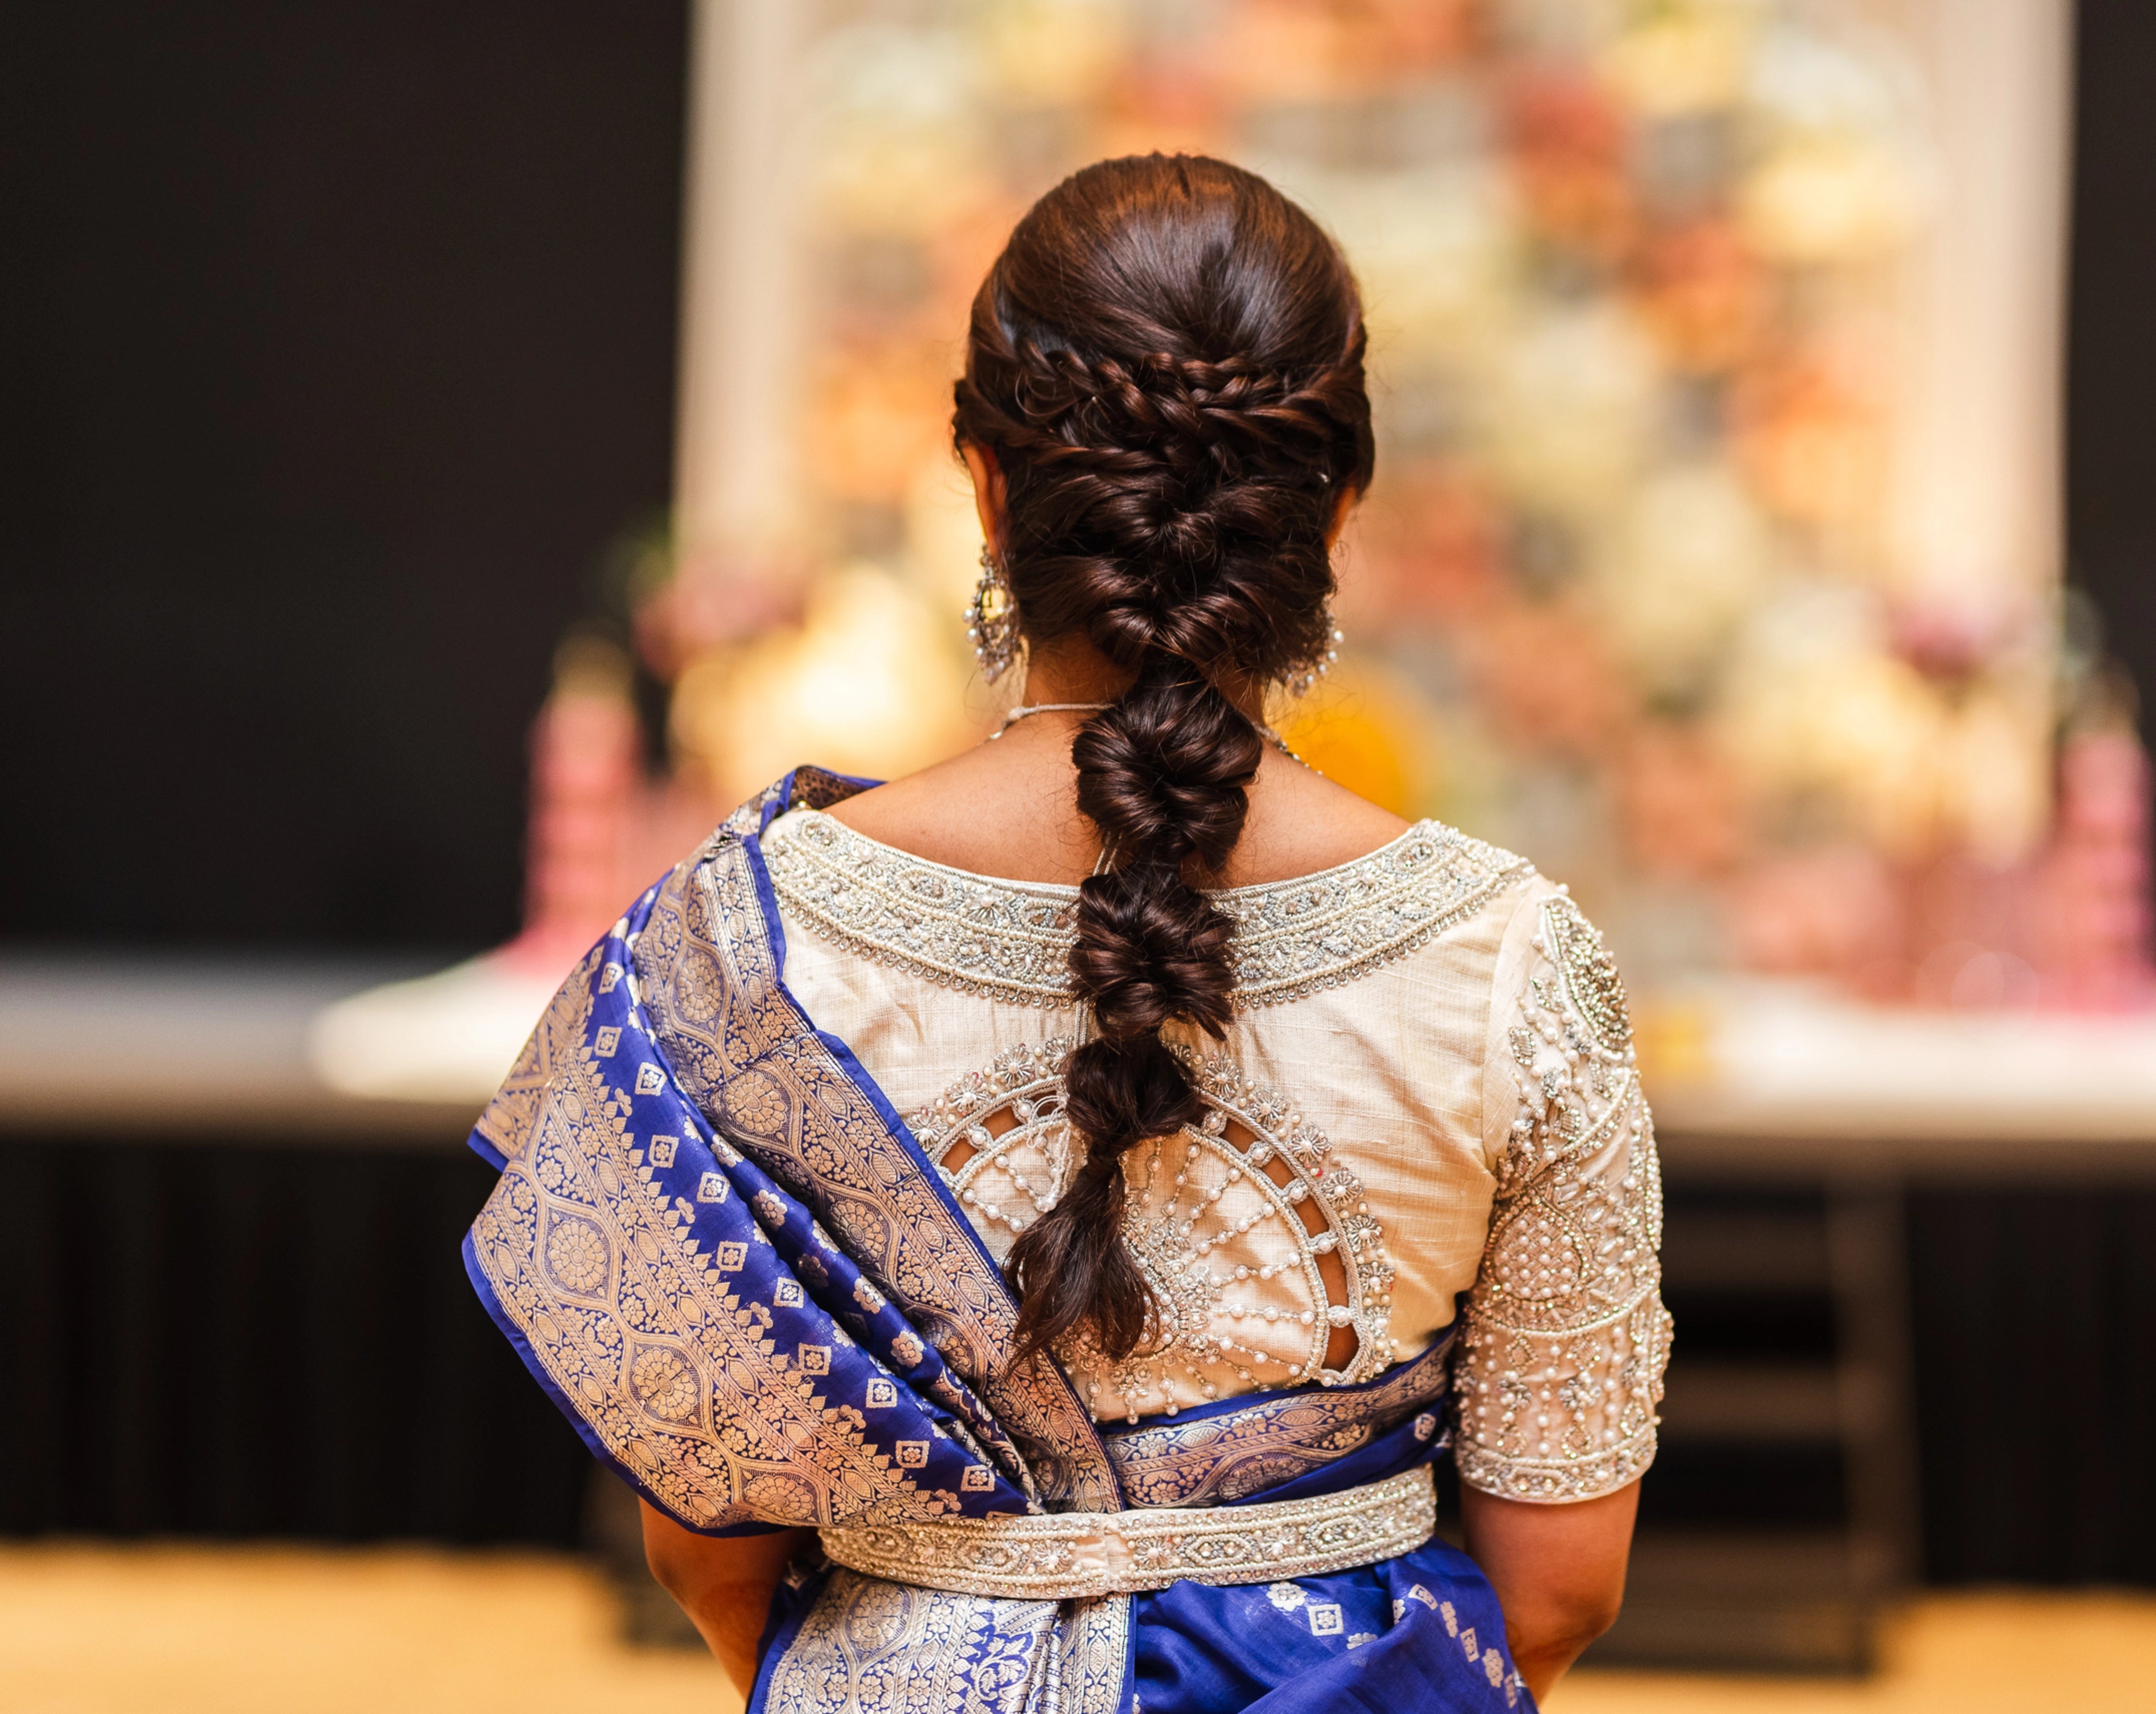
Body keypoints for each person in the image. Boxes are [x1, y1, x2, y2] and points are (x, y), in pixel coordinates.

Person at [464, 153, 1667, 1712]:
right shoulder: (1511, 962)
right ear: (1336, 506)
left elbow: (710, 1543)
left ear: (982, 484)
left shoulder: (741, 939)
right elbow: (1560, 1585)